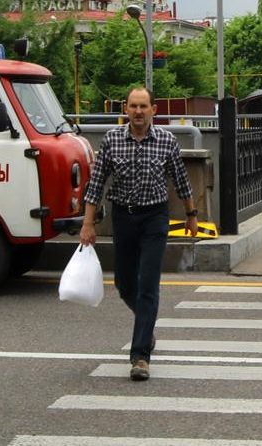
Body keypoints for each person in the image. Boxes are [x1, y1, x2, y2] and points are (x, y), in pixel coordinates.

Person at [79, 86, 197, 382]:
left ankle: (140, 355)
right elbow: (96, 184)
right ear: (125, 109)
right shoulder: (112, 140)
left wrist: (192, 216)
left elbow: (182, 182)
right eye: (133, 106)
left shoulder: (167, 141)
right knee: (123, 282)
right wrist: (88, 223)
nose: (139, 112)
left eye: (144, 106)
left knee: (148, 285)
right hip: (124, 217)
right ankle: (146, 322)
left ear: (154, 110)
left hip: (155, 218)